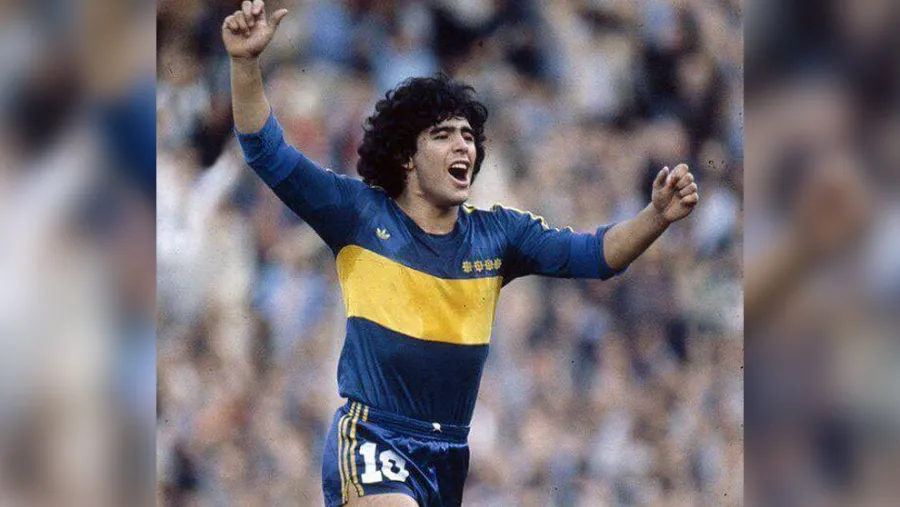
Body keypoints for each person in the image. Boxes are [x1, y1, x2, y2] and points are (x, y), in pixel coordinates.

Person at [223, 2, 699, 506]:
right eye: (443, 135)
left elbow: (596, 256)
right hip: (373, 437)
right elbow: (267, 152)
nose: (463, 147)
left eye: (469, 137)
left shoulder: (500, 236)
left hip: (447, 455)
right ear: (407, 156)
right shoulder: (358, 214)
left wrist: (656, 216)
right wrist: (244, 64)